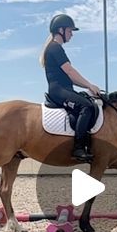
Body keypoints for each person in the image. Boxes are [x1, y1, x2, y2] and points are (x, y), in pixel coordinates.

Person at [40, 14, 101, 162]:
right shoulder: (55, 48)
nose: (72, 34)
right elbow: (70, 72)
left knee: (89, 101)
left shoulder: (55, 48)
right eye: (70, 31)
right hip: (59, 91)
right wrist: (89, 85)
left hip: (64, 89)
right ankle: (78, 148)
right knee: (86, 107)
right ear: (61, 30)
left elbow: (71, 78)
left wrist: (89, 88)